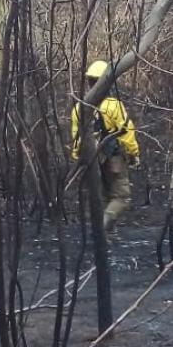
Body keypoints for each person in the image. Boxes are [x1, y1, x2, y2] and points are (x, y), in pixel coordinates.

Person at [71, 60, 140, 232]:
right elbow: (127, 132)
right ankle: (103, 228)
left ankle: (107, 235)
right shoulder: (114, 106)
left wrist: (78, 156)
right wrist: (133, 153)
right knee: (121, 198)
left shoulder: (79, 107)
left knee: (101, 198)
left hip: (90, 159)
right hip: (113, 158)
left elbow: (76, 138)